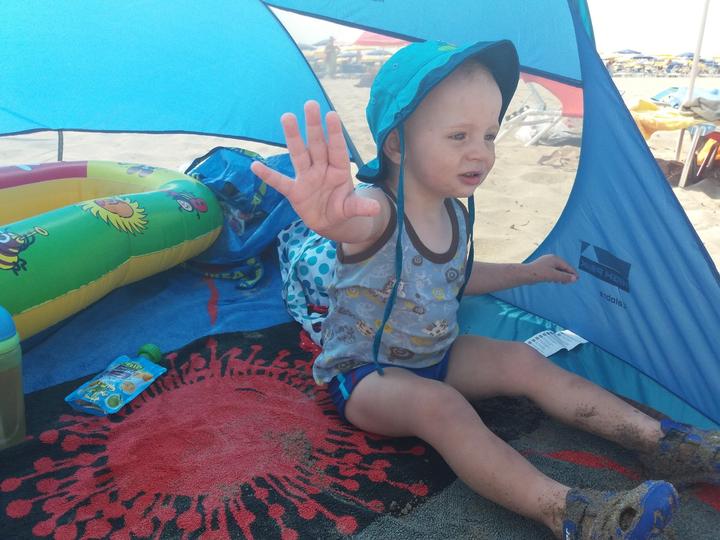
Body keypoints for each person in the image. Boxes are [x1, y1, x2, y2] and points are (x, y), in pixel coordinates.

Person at [251, 40, 720, 539]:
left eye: (490, 135)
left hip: (436, 353)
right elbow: (353, 229)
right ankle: (573, 514)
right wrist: (331, 221)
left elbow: (454, 277)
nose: (480, 152)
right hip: (368, 376)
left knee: (522, 359)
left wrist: (527, 272)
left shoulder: (453, 210)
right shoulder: (376, 210)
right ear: (397, 146)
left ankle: (662, 442)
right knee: (443, 407)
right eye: (459, 135)